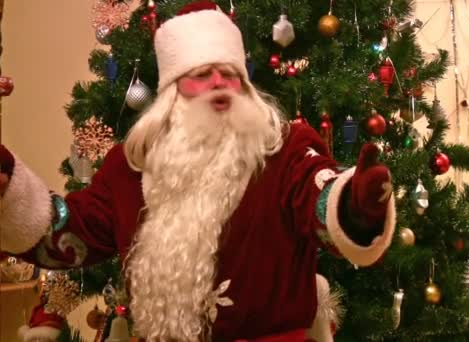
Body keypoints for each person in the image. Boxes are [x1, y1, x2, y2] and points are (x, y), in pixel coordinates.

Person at [0, 1, 396, 341]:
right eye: (201, 75)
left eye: (230, 74)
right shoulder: (130, 169)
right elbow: (70, 233)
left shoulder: (285, 151)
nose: (219, 85)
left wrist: (355, 203)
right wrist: (7, 186)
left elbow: (319, 195)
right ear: (173, 92)